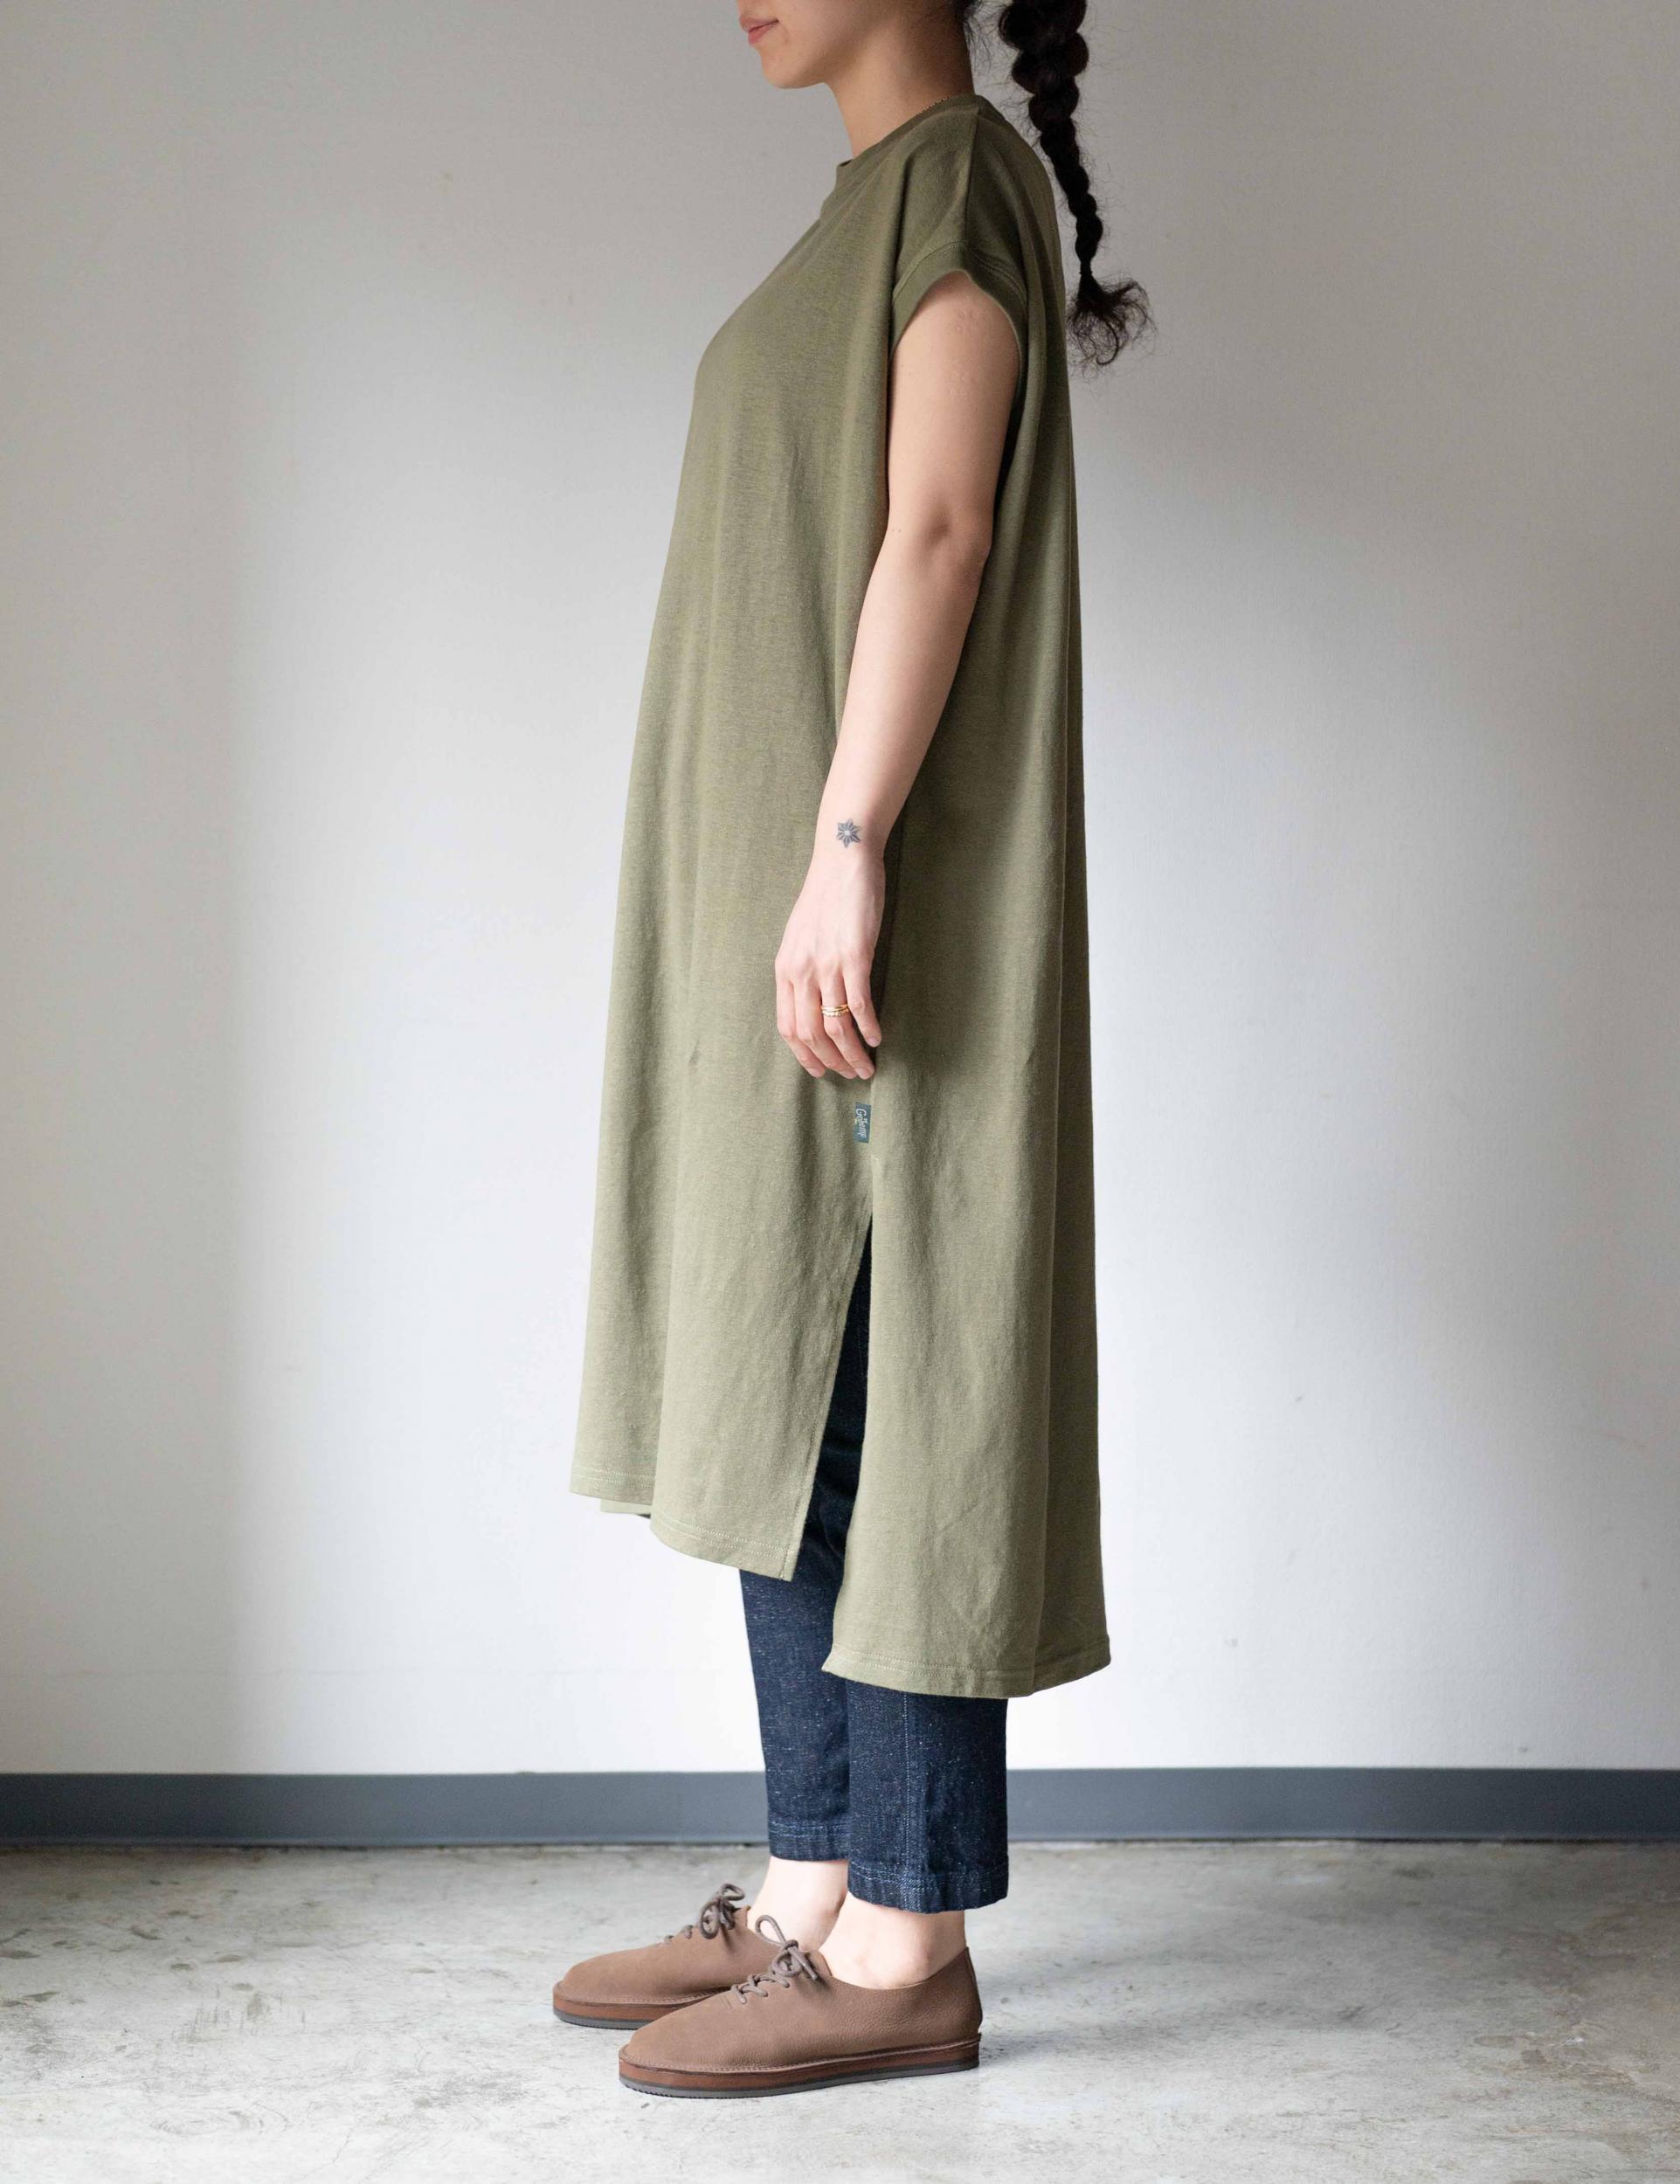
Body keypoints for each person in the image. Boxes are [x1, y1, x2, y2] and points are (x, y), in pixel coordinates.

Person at [557, 0, 1146, 2098]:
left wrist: (847, 847)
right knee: (787, 1389)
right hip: (791, 911)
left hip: (864, 906)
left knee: (883, 1414)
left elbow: (937, 528)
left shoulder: (958, 181)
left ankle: (907, 1936)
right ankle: (811, 1885)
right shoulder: (859, 211)